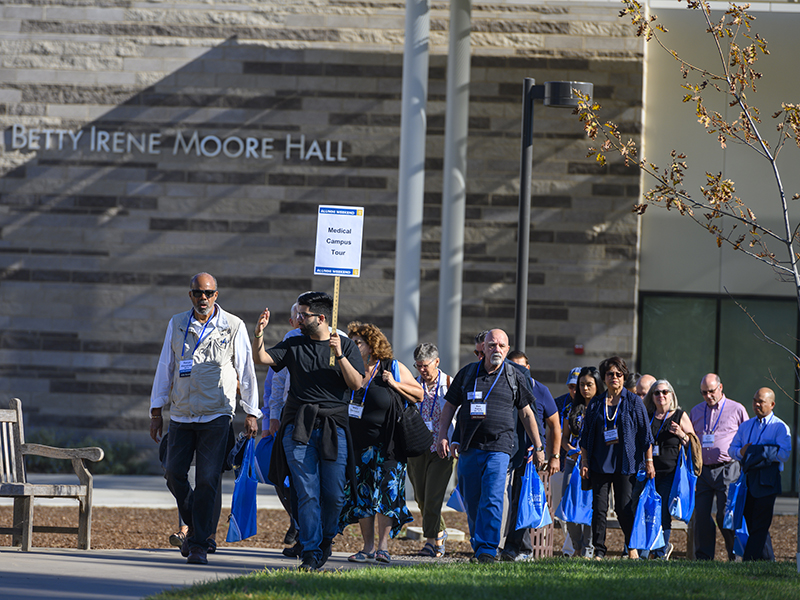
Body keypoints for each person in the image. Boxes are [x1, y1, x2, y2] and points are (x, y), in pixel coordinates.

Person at [149, 272, 261, 566]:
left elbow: (246, 369)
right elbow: (166, 366)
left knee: (208, 480)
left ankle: (197, 544)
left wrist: (251, 410)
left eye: (208, 293)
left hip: (217, 413)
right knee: (173, 473)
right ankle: (199, 528)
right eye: (198, 293)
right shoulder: (176, 323)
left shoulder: (232, 325)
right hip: (183, 414)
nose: (203, 298)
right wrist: (156, 410)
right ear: (190, 295)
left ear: (216, 295)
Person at [253, 291, 365, 571]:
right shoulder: (294, 343)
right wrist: (258, 335)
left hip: (333, 427)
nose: (298, 318)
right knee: (307, 491)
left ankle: (326, 538)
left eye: (303, 314)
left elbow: (356, 385)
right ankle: (311, 551)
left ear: (321, 317)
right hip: (299, 427)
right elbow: (264, 359)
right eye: (299, 313)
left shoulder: (346, 346)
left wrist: (339, 354)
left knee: (335, 494)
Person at [436, 329, 545, 564]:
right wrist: (442, 435)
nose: (497, 349)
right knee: (472, 498)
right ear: (483, 348)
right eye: (492, 345)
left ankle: (487, 548)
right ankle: (480, 544)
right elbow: (449, 407)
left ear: (507, 349)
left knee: (493, 497)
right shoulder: (467, 374)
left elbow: (527, 413)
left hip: (500, 447)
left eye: (501, 346)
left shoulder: (515, 376)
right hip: (468, 447)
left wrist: (539, 446)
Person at [339, 322, 422, 564]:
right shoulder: (351, 368)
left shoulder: (391, 367)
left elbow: (419, 393)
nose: (354, 346)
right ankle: (367, 548)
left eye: (358, 343)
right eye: (352, 342)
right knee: (363, 494)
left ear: (372, 345)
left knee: (387, 493)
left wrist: (393, 383)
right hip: (359, 445)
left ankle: (383, 548)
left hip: (389, 445)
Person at [579, 356, 654, 560]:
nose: (614, 377)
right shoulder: (596, 403)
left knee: (624, 508)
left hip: (625, 463)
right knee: (599, 509)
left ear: (624, 377)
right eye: (610, 374)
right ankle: (599, 551)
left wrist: (649, 462)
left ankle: (632, 547)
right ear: (604, 377)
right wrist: (584, 462)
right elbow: (585, 437)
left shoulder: (633, 401)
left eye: (618, 374)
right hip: (599, 464)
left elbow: (645, 435)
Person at [500, 350, 560, 562]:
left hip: (530, 457)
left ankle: (517, 547)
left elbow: (555, 425)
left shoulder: (540, 390)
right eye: (512, 366)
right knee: (509, 499)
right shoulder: (504, 386)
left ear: (528, 368)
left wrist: (554, 455)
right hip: (508, 452)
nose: (517, 370)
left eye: (521, 366)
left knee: (521, 500)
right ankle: (513, 547)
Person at [689, 373, 749, 561]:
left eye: (712, 391)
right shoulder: (696, 411)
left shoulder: (736, 409)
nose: (708, 396)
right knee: (701, 515)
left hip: (728, 468)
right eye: (704, 393)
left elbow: (747, 438)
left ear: (720, 388)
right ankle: (703, 557)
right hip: (703, 470)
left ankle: (735, 555)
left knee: (726, 514)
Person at [728, 387, 791, 561]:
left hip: (767, 481)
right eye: (755, 400)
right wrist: (743, 452)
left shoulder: (779, 427)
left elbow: (784, 454)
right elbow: (731, 450)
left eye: (761, 401)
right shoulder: (746, 426)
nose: (756, 404)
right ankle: (768, 560)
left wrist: (759, 451)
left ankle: (749, 559)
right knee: (752, 522)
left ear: (772, 404)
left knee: (761, 524)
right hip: (747, 481)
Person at [406, 342, 455, 558]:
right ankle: (439, 532)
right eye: (418, 366)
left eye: (425, 366)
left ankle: (432, 542)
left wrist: (455, 442)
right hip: (417, 447)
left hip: (441, 448)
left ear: (437, 362)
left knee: (434, 496)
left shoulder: (450, 385)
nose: (422, 370)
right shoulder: (414, 384)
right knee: (421, 497)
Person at [641, 379, 695, 560]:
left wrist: (681, 434)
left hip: (670, 474)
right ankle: (646, 548)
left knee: (663, 512)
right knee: (645, 510)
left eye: (665, 392)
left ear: (671, 395)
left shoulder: (679, 416)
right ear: (652, 396)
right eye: (657, 392)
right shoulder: (647, 415)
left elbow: (694, 445)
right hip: (647, 473)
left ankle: (660, 550)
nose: (661, 396)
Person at [560, 366, 604, 558]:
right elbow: (564, 438)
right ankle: (576, 544)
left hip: (595, 462)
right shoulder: (571, 408)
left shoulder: (604, 406)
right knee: (567, 503)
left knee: (590, 504)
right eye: (581, 385)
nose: (584, 389)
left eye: (589, 385)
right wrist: (572, 451)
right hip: (573, 461)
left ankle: (588, 548)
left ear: (597, 386)